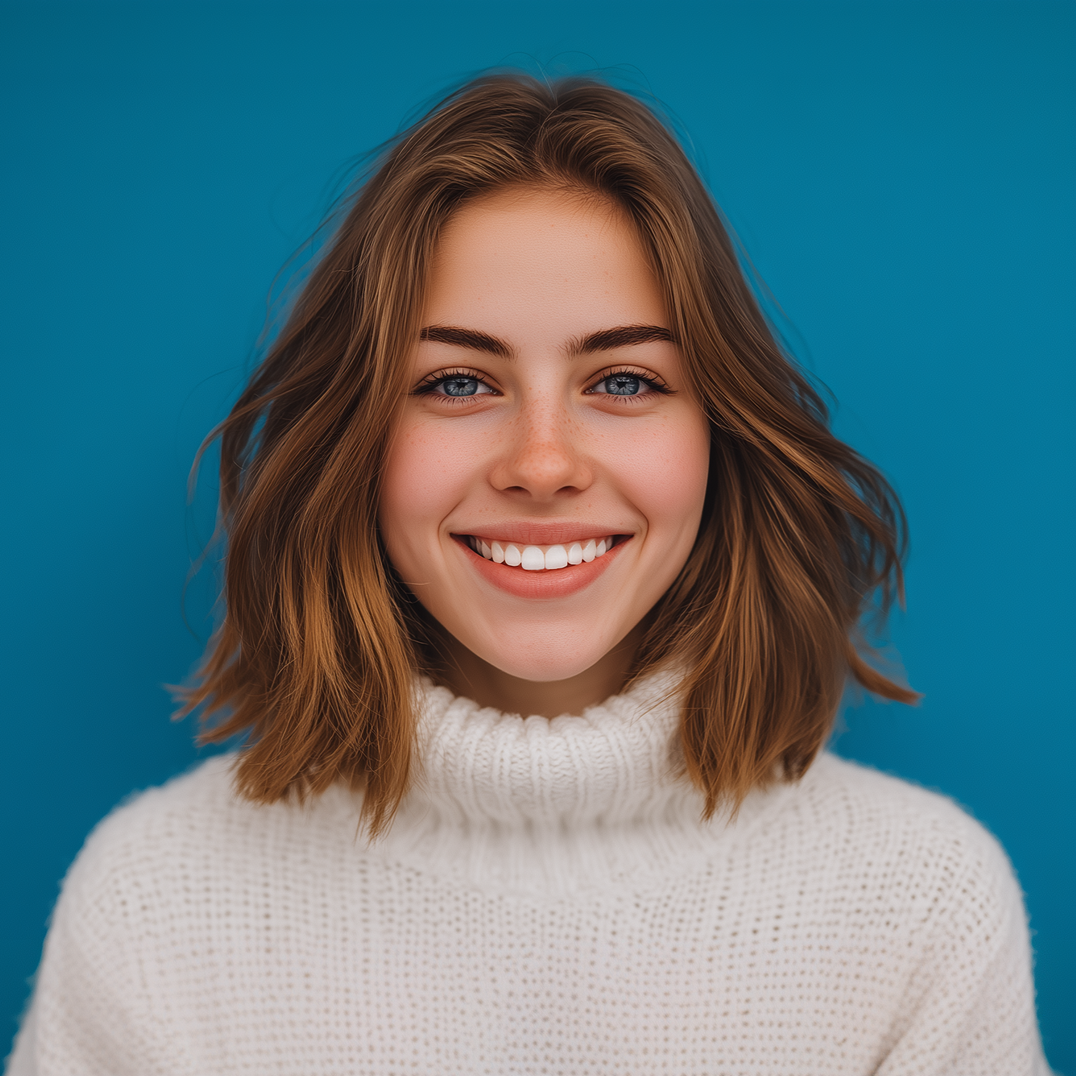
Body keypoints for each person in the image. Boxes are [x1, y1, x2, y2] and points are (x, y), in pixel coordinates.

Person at [6, 73, 1049, 1075]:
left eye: (624, 380)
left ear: (719, 438)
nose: (542, 462)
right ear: (353, 442)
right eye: (457, 381)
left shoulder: (918, 900)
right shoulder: (152, 900)